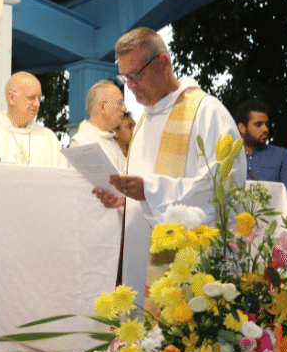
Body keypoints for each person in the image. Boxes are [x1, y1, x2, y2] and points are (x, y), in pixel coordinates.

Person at [93, 27, 246, 310]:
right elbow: (145, 192)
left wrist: (150, 190)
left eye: (136, 74)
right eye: (125, 77)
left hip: (191, 264)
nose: (131, 85)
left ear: (163, 63)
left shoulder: (206, 111)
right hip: (142, 253)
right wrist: (123, 199)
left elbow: (222, 185)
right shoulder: (143, 123)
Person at [0, 71, 68, 167]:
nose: (37, 104)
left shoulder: (48, 138)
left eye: (39, 98)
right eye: (31, 97)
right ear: (11, 98)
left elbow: (61, 177)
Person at [236, 100, 287, 211]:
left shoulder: (283, 156)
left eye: (266, 124)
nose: (265, 129)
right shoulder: (228, 157)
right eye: (258, 124)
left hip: (273, 226)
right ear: (242, 127)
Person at [69, 80, 127, 172]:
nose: (124, 108)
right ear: (103, 107)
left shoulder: (111, 140)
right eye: (120, 103)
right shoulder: (81, 143)